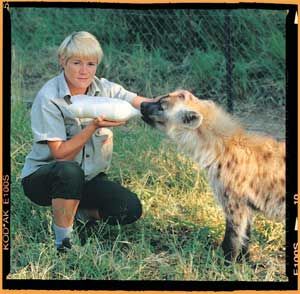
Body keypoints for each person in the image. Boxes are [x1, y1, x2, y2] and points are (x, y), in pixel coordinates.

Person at [21, 31, 156, 252]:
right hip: (44, 179)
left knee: (129, 208)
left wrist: (168, 103)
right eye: (77, 62)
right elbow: (60, 154)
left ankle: (77, 214)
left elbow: (139, 102)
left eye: (91, 64)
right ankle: (63, 243)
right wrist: (93, 126)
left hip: (87, 179)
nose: (84, 71)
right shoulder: (49, 98)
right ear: (62, 61)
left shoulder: (104, 89)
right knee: (68, 171)